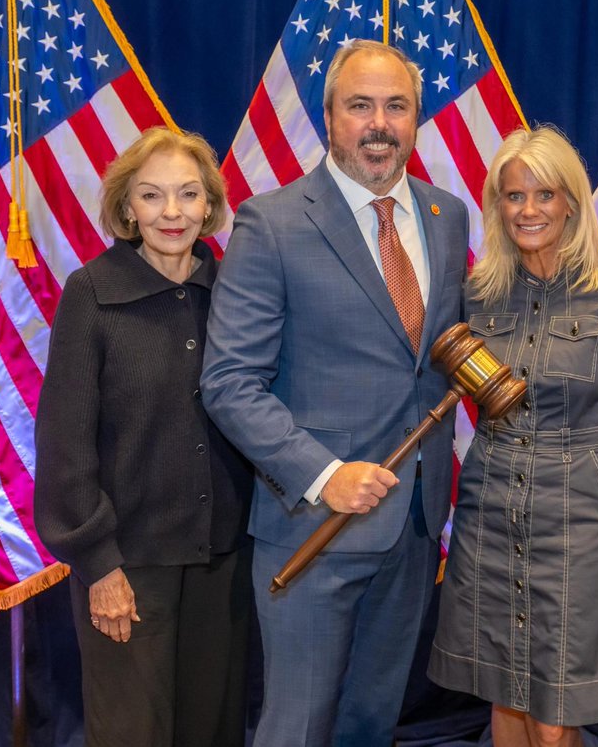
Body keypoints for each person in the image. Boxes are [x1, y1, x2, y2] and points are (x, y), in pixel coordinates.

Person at [200, 40, 469, 746]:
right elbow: (228, 381)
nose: (378, 123)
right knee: (298, 727)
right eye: (360, 106)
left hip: (413, 523)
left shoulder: (447, 217)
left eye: (396, 106)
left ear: (416, 120)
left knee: (370, 723)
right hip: (314, 526)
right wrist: (325, 474)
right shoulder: (273, 223)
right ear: (328, 118)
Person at [428, 126, 598, 746]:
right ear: (497, 206)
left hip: (579, 525)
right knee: (504, 694)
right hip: (490, 516)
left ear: (571, 203)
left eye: (544, 195)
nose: (529, 210)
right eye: (514, 197)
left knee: (555, 709)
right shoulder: (477, 299)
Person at [34, 127, 253, 746]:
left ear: (210, 205)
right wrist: (98, 564)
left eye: (188, 195)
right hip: (127, 566)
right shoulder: (91, 293)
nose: (173, 213)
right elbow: (65, 445)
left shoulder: (236, 291)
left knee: (213, 732)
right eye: (153, 197)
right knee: (133, 733)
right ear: (128, 207)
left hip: (223, 560)